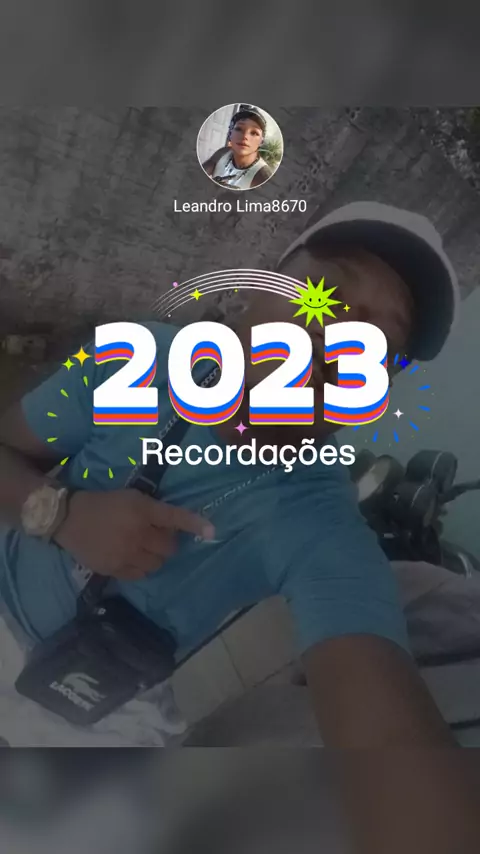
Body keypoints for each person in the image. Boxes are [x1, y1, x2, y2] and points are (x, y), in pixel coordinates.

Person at [0, 202, 466, 752]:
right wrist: (59, 513)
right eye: (327, 289)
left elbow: (382, 716)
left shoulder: (322, 521)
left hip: (99, 715)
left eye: (381, 340)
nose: (346, 332)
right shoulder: (138, 362)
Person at [201, 107, 273, 190]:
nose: (245, 136)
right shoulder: (222, 153)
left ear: (261, 141)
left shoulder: (262, 176)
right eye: (239, 129)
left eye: (254, 133)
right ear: (230, 134)